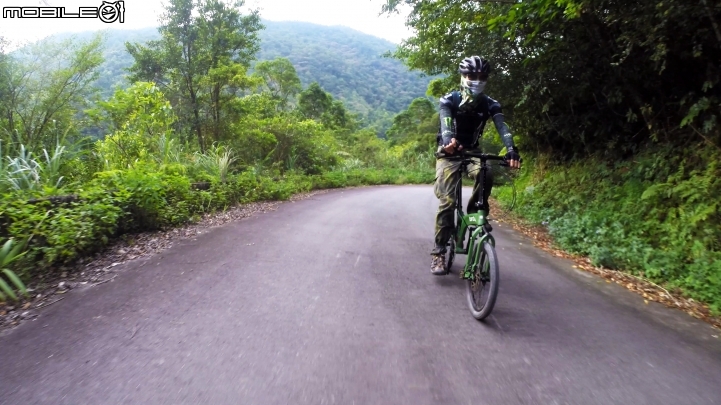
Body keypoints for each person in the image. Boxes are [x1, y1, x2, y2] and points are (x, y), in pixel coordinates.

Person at [430, 55, 521, 275]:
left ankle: (476, 214)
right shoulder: (449, 100)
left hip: (472, 152)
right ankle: (439, 252)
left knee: (486, 172)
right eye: (472, 76)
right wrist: (449, 140)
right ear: (463, 76)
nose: (477, 80)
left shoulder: (490, 104)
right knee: (448, 202)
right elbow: (446, 123)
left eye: (482, 77)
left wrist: (511, 149)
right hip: (448, 153)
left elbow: (503, 127)